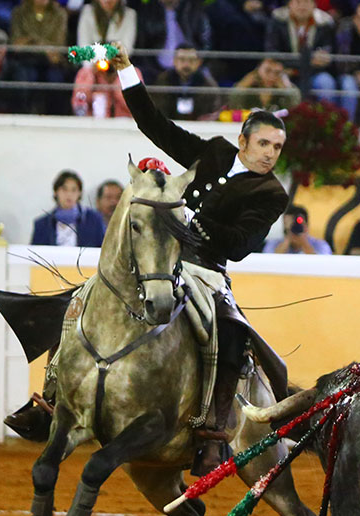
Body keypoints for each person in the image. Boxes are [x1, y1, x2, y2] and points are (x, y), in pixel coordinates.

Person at [116, 42, 291, 474]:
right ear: (243, 141)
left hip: (207, 273)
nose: (270, 153)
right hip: (164, 259)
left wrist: (193, 227)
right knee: (94, 293)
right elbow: (156, 126)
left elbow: (239, 245)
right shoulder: (213, 152)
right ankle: (54, 396)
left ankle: (212, 434)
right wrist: (126, 71)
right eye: (264, 143)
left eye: (278, 147)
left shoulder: (272, 193)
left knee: (231, 334)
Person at [264, 0, 336, 95]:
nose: (302, 6)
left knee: (326, 82)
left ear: (314, 5)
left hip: (314, 71)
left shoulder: (325, 23)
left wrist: (322, 58)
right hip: (284, 70)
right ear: (290, 4)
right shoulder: (277, 20)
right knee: (279, 81)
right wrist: (305, 61)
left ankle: (323, 110)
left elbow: (328, 51)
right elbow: (272, 51)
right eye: (298, 2)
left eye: (306, 2)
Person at [10, 0, 68, 115]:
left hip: (52, 63)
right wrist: (45, 47)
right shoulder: (19, 13)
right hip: (25, 60)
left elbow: (58, 46)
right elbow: (16, 44)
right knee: (23, 79)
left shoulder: (60, 14)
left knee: (56, 80)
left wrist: (31, 41)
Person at [136, 0, 212, 80]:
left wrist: (198, 63)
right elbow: (143, 44)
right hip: (156, 68)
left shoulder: (193, 8)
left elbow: (205, 42)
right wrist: (154, 69)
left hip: (192, 67)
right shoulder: (148, 10)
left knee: (209, 85)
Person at [30, 170, 107, 247]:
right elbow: (35, 254)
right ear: (56, 192)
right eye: (64, 189)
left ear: (79, 193)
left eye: (74, 190)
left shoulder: (94, 219)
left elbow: (102, 249)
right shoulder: (42, 224)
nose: (69, 194)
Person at [153, 45, 221, 120]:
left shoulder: (208, 85)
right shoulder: (162, 81)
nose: (186, 65)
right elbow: (159, 110)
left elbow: (212, 112)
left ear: (199, 62)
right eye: (182, 60)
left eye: (191, 60)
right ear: (174, 61)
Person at [72, 59, 142, 117]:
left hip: (125, 122)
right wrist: (92, 77)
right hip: (94, 122)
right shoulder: (86, 73)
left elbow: (137, 107)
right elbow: (79, 104)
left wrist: (117, 80)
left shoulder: (132, 73)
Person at [229, 56, 302, 111]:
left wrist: (286, 89)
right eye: (267, 71)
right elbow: (233, 105)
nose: (271, 76)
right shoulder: (248, 87)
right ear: (258, 70)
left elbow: (295, 109)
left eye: (277, 73)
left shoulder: (284, 89)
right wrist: (242, 85)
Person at [262, 205, 333, 254]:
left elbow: (323, 264)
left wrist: (303, 242)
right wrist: (288, 238)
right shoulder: (273, 243)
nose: (294, 226)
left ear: (306, 225)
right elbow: (268, 261)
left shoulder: (320, 245)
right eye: (290, 224)